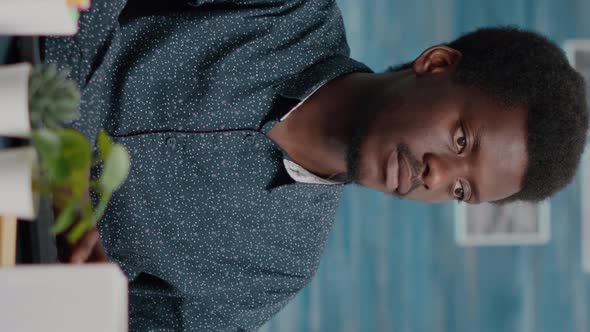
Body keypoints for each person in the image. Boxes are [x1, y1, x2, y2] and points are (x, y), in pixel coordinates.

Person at [44, 0, 588, 330]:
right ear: (436, 63)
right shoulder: (289, 10)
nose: (436, 175)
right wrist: (64, 155)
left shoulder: (275, 271)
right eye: (462, 139)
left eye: (462, 191)